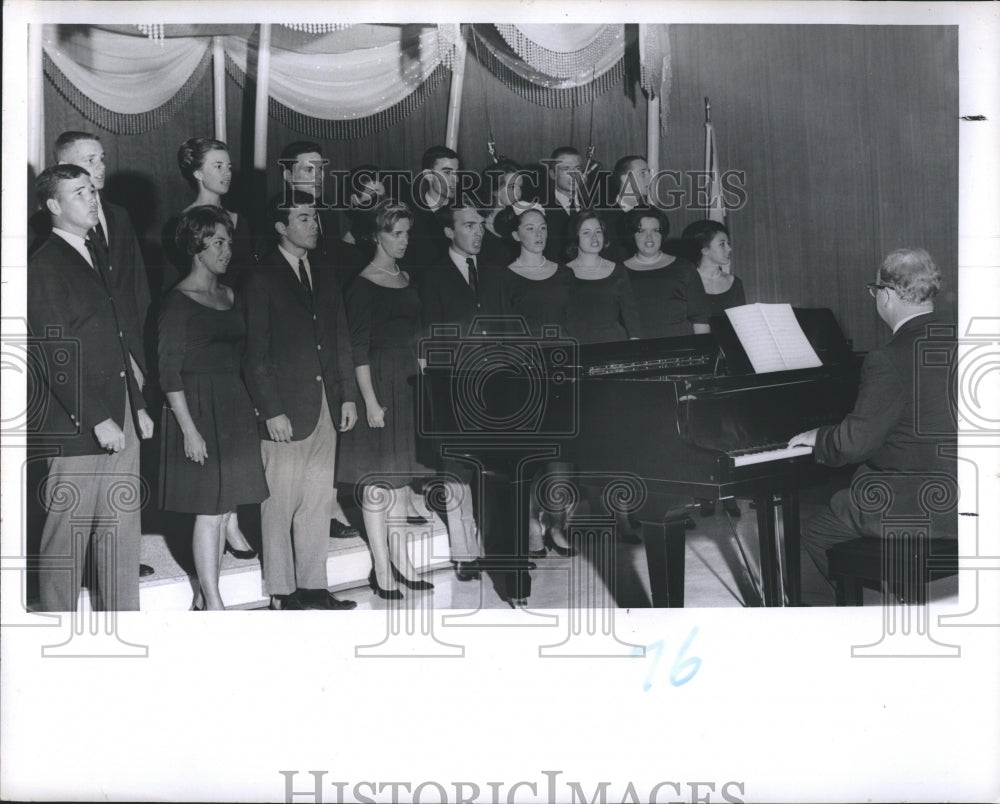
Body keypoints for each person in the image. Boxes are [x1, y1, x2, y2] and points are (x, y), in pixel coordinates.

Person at [28, 164, 156, 610]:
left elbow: (121, 336)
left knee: (121, 530)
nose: (92, 199)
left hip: (120, 411)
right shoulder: (44, 264)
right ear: (53, 206)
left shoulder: (97, 253)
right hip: (79, 425)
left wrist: (136, 405)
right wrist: (97, 417)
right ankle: (57, 635)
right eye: (79, 193)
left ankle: (123, 627)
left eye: (92, 191)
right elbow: (53, 352)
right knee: (68, 536)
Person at [789, 249, 956, 587]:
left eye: (874, 290)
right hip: (977, 496)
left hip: (925, 506)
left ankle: (878, 608)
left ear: (887, 295)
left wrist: (820, 437)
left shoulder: (888, 358)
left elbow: (854, 445)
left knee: (819, 533)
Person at [242, 193, 359, 610]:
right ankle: (282, 590)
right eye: (304, 218)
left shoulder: (324, 272)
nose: (314, 225)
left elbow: (341, 339)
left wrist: (346, 395)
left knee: (316, 501)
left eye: (315, 218)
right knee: (279, 503)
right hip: (285, 411)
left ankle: (313, 585)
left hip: (326, 405)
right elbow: (255, 353)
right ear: (280, 227)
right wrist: (270, 409)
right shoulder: (260, 277)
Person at [158, 207, 269, 610]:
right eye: (218, 243)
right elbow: (168, 374)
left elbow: (242, 358)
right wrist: (188, 429)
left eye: (229, 242)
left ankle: (206, 597)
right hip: (197, 412)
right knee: (208, 512)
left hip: (233, 409)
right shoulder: (177, 303)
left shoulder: (230, 295)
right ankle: (213, 600)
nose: (227, 250)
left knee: (225, 511)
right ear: (196, 246)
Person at [337, 200, 437, 598]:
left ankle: (403, 561)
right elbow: (356, 350)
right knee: (377, 484)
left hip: (407, 383)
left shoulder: (406, 277)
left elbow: (418, 336)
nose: (404, 240)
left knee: (398, 484)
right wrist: (370, 402)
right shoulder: (360, 284)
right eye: (396, 233)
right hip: (376, 386)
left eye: (407, 233)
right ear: (375, 235)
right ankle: (381, 569)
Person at [418, 204, 497, 581]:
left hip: (495, 384)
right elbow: (427, 337)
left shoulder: (493, 272)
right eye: (469, 226)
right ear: (450, 232)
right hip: (452, 384)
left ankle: (489, 545)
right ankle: (464, 553)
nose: (478, 232)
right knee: (457, 470)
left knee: (490, 469)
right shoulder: (431, 276)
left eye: (481, 225)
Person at [495, 202, 575, 557]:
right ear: (515, 235)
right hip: (521, 371)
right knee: (527, 453)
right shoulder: (504, 275)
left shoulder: (563, 273)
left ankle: (556, 523)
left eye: (542, 227)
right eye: (530, 228)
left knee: (562, 452)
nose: (538, 234)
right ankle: (529, 524)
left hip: (561, 369)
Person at [165, 138, 256, 293]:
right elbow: (171, 279)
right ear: (198, 173)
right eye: (218, 166)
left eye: (229, 167)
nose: (227, 173)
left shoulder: (240, 221)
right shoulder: (180, 223)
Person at [622, 208, 711, 338]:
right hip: (637, 352)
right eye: (641, 231)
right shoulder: (619, 272)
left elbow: (700, 319)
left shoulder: (684, 267)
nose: (649, 237)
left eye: (655, 230)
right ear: (632, 234)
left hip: (682, 350)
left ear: (662, 234)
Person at [564, 211, 641, 344]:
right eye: (586, 232)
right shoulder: (562, 274)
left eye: (598, 232)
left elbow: (632, 317)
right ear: (575, 237)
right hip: (576, 346)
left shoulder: (618, 271)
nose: (594, 237)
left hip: (614, 343)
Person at [402, 145, 460, 274]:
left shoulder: (464, 213)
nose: (455, 179)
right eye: (447, 172)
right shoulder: (410, 219)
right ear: (428, 175)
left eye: (456, 172)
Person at [681, 220, 746, 318]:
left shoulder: (735, 282)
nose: (729, 248)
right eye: (722, 244)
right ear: (704, 250)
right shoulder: (684, 283)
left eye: (728, 243)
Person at [542, 146, 586, 264]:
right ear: (552, 174)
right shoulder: (541, 209)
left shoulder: (593, 206)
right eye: (566, 169)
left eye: (577, 168)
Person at [479, 159, 524, 271]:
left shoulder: (521, 219)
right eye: (512, 187)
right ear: (495, 190)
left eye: (520, 186)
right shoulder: (478, 224)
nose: (518, 192)